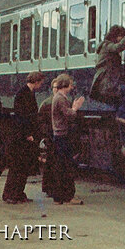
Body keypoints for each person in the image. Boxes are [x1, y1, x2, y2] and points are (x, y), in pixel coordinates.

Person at [3, 72, 44, 203]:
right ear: (36, 81)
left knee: (24, 166)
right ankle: (9, 194)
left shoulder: (29, 93)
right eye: (41, 82)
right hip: (21, 138)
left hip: (25, 136)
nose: (42, 84)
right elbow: (21, 116)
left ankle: (18, 193)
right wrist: (27, 134)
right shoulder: (23, 94)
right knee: (17, 166)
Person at [90, 23, 125, 121]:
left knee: (122, 98)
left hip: (108, 83)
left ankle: (122, 119)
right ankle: (122, 116)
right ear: (115, 36)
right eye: (121, 36)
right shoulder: (107, 46)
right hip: (108, 84)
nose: (121, 38)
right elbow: (118, 47)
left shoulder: (106, 46)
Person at [50, 74, 85, 205]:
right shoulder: (60, 98)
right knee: (66, 166)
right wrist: (75, 108)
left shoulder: (58, 97)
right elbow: (68, 115)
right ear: (65, 85)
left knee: (61, 166)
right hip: (62, 135)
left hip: (59, 135)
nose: (71, 87)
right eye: (70, 85)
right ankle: (67, 196)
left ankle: (60, 196)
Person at [37, 79, 59, 197]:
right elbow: (41, 121)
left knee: (55, 162)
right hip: (51, 135)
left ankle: (53, 187)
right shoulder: (46, 103)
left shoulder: (63, 101)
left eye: (58, 87)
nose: (56, 89)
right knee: (51, 161)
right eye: (54, 87)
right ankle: (48, 188)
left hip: (58, 134)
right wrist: (45, 135)